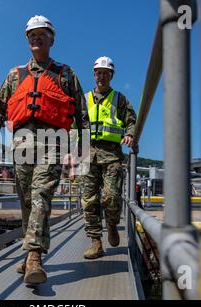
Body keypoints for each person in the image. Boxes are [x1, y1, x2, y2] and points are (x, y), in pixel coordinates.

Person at [0, 15, 89, 284]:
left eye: (42, 33)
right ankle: (30, 251)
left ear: (52, 39)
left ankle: (33, 258)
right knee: (28, 201)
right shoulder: (15, 75)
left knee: (41, 194)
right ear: (27, 40)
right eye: (32, 34)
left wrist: (79, 150)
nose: (37, 37)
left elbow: (82, 116)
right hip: (22, 147)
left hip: (54, 143)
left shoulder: (66, 74)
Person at [82, 56, 137, 259]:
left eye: (106, 73)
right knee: (89, 201)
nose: (102, 76)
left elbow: (131, 119)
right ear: (94, 74)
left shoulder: (119, 99)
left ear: (111, 75)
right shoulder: (85, 99)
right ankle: (96, 242)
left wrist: (130, 134)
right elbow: (73, 125)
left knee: (111, 197)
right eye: (99, 73)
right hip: (87, 154)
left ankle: (112, 224)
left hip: (112, 154)